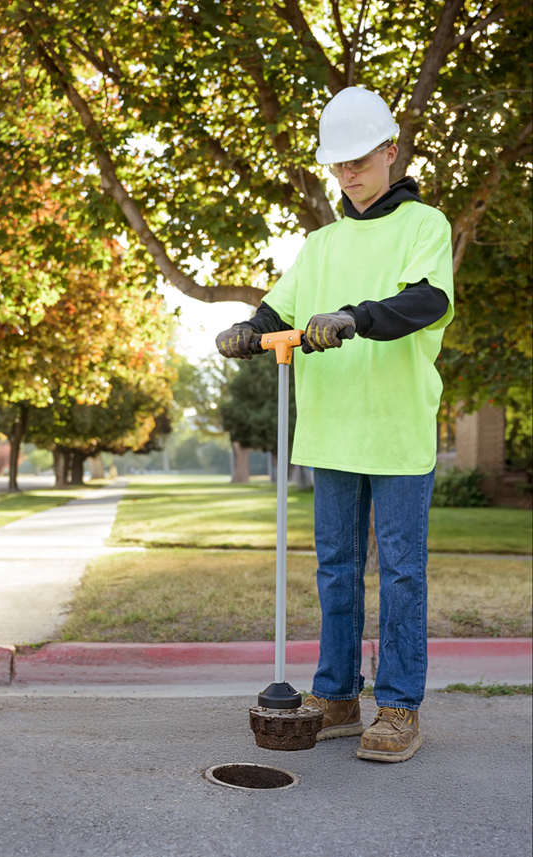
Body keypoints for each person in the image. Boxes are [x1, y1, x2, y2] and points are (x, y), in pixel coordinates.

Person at [216, 87, 454, 763]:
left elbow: (426, 299)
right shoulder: (320, 243)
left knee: (403, 573)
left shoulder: (423, 226)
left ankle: (400, 707)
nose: (348, 174)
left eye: (359, 159)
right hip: (331, 431)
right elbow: (279, 308)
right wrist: (249, 330)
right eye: (337, 164)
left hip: (398, 431)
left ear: (389, 151)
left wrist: (356, 317)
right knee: (338, 569)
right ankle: (338, 696)